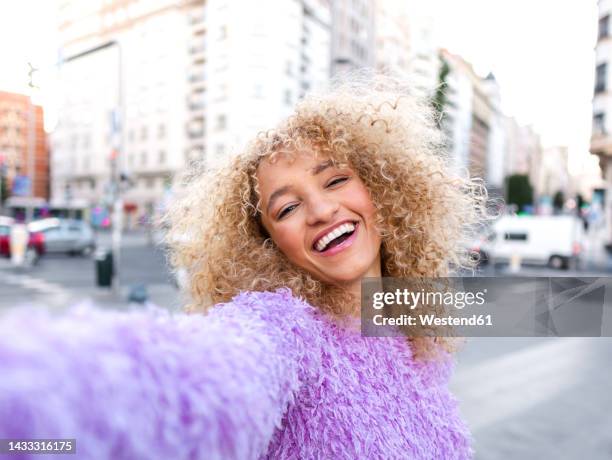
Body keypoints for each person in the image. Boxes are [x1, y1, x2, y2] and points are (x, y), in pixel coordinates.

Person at [0, 76, 487, 459]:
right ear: (270, 246)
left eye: (335, 179)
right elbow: (184, 382)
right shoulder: (284, 333)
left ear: (385, 190)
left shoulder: (414, 326)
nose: (319, 210)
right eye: (287, 209)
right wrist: (28, 413)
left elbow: (556, 308)